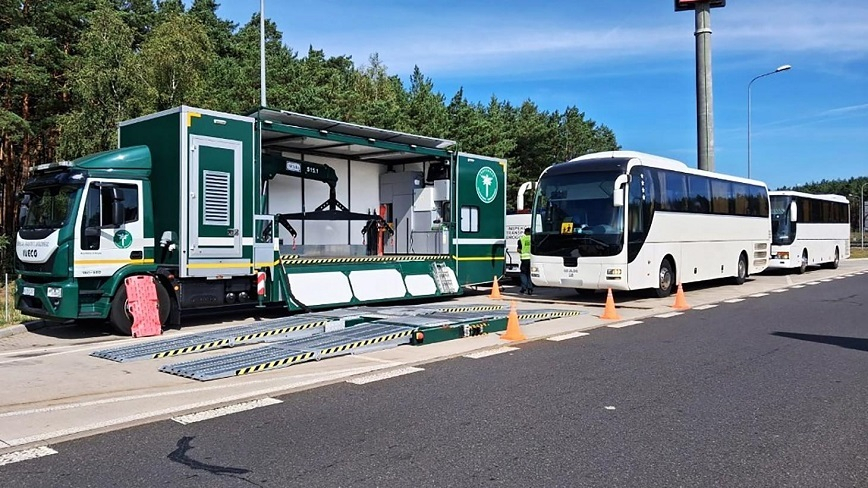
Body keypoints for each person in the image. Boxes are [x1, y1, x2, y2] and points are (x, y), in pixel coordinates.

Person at [517, 227, 533, 295]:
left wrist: (519, 251)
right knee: (529, 274)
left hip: (524, 259)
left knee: (523, 273)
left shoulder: (521, 239)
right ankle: (530, 289)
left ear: (525, 232)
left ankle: (524, 287)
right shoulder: (533, 238)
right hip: (532, 258)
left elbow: (519, 250)